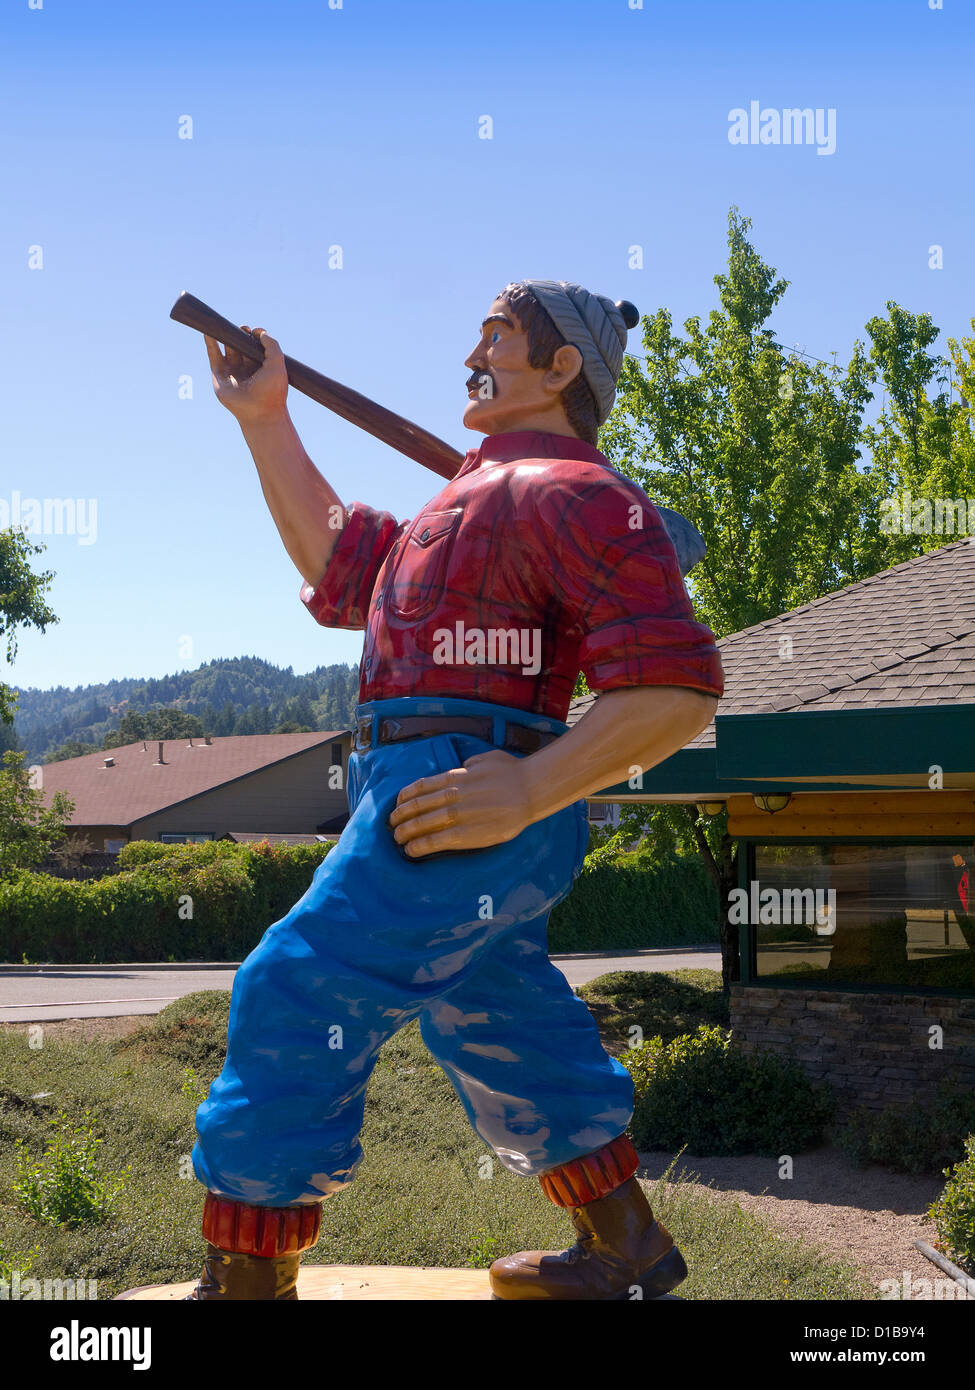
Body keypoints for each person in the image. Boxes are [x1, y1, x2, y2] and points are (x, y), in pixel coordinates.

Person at [188, 279, 724, 1300]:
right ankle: (626, 1247)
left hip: (461, 793)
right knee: (498, 1014)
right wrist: (269, 418)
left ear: (564, 368)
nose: (472, 355)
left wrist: (529, 787)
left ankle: (248, 1278)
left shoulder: (577, 497)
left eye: (499, 337)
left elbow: (672, 686)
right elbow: (341, 561)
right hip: (444, 787)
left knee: (297, 985)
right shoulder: (476, 503)